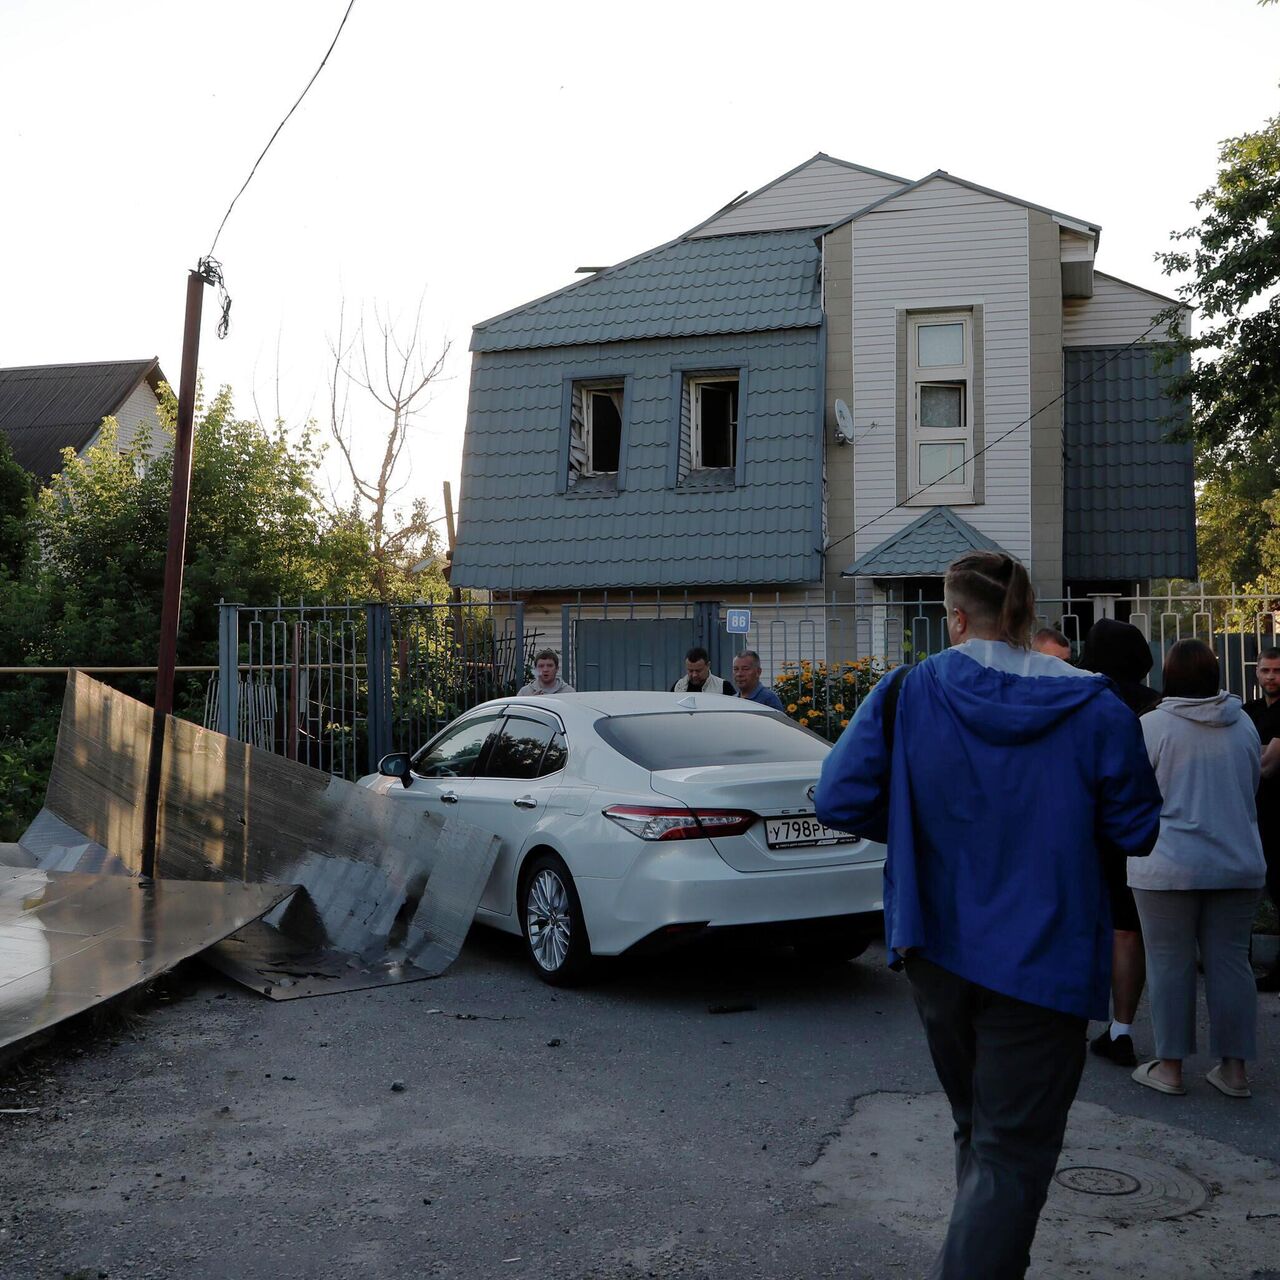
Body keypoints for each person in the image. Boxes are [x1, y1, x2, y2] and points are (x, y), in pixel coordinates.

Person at [815, 550, 1161, 1280]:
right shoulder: (1099, 707)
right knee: (1011, 1151)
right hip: (1045, 957)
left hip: (936, 948)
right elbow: (1136, 830)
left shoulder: (908, 689)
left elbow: (838, 798)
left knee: (980, 1131)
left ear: (957, 617)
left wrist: (921, 828)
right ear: (1029, 615)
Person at [1130, 639, 1266, 1098]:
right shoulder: (1243, 723)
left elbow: (1135, 794)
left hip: (1167, 865)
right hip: (1238, 861)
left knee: (1169, 964)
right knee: (1231, 963)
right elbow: (1252, 786)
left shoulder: (1152, 726)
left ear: (1168, 677)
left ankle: (1169, 1068)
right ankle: (1234, 1072)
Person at [1079, 618, 1163, 1067]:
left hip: (1086, 833)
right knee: (1129, 932)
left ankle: (1066, 1017)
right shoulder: (1156, 708)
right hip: (1139, 834)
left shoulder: (1085, 702)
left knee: (1077, 924)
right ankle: (1123, 1028)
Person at [1244, 645, 1280, 991]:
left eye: (1277, 671)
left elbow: (1268, 767)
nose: (1271, 677)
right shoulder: (1248, 711)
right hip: (1250, 813)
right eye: (1266, 670)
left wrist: (1255, 755)